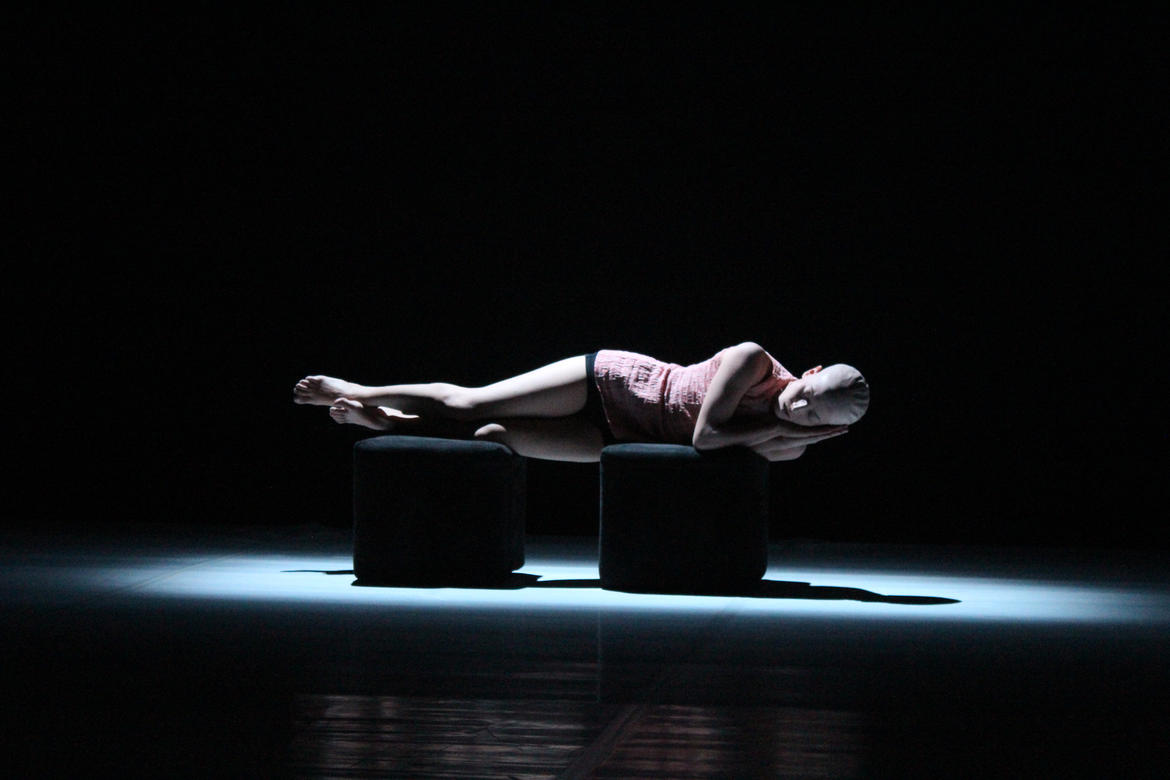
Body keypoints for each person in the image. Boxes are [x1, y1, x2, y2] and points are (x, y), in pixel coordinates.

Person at [293, 342, 869, 463]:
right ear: (810, 372)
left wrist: (792, 437)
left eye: (814, 418)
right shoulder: (752, 360)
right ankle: (357, 390)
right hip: (612, 383)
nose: (799, 411)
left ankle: (387, 424)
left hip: (620, 434)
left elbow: (736, 449)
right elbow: (705, 437)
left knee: (495, 438)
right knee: (471, 405)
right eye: (807, 397)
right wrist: (784, 430)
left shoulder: (791, 445)